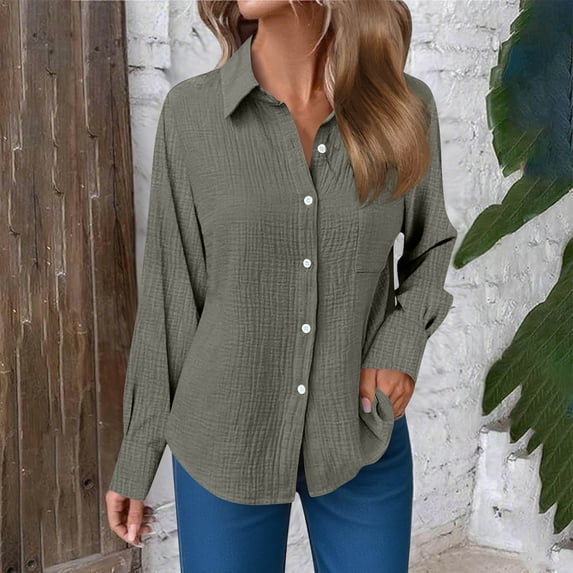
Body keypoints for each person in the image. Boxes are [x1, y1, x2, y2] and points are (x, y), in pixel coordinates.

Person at [105, 1, 458, 571]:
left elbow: (432, 243)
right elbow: (172, 295)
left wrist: (399, 347)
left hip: (358, 431)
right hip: (223, 438)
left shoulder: (403, 108)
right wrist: (138, 454)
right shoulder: (193, 114)